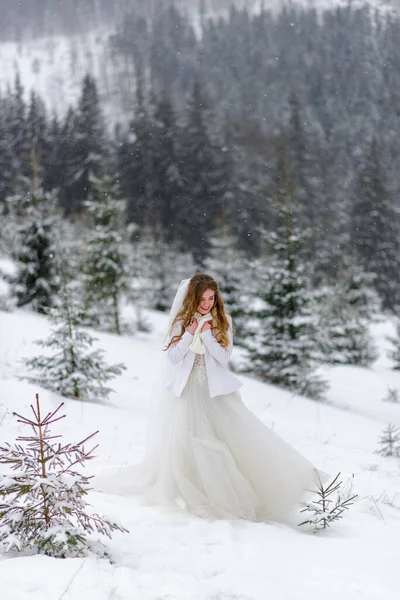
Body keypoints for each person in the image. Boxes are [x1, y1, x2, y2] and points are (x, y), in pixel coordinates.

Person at [94, 273, 325, 524]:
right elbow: (173, 357)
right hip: (189, 391)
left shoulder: (222, 320)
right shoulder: (182, 321)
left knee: (236, 435)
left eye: (211, 298)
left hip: (217, 392)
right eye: (202, 298)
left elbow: (224, 357)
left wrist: (206, 335)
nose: (206, 304)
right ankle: (197, 489)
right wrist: (189, 332)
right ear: (193, 298)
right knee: (189, 440)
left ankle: (278, 480)